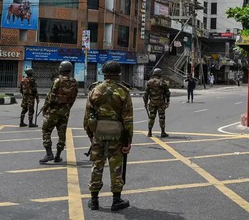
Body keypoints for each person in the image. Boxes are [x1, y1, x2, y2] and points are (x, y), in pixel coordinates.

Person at [84, 61, 134, 211]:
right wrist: (128, 141)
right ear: (119, 74)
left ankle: (94, 201)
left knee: (97, 166)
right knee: (116, 167)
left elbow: (87, 117)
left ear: (103, 73)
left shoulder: (94, 90)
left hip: (98, 134)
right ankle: (116, 200)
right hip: (117, 136)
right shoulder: (123, 91)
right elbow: (128, 120)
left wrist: (91, 135)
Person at [39, 61, 78, 163]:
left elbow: (51, 97)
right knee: (62, 133)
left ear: (60, 69)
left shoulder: (57, 81)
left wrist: (45, 108)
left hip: (53, 111)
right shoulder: (74, 82)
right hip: (65, 111)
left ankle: (49, 154)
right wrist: (67, 107)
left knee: (46, 130)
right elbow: (73, 98)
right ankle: (58, 156)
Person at [144, 68, 170, 137]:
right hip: (161, 103)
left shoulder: (149, 82)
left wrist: (145, 102)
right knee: (161, 117)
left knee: (151, 117)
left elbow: (146, 94)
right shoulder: (162, 82)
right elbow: (167, 93)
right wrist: (167, 101)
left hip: (152, 102)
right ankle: (162, 132)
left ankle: (149, 132)